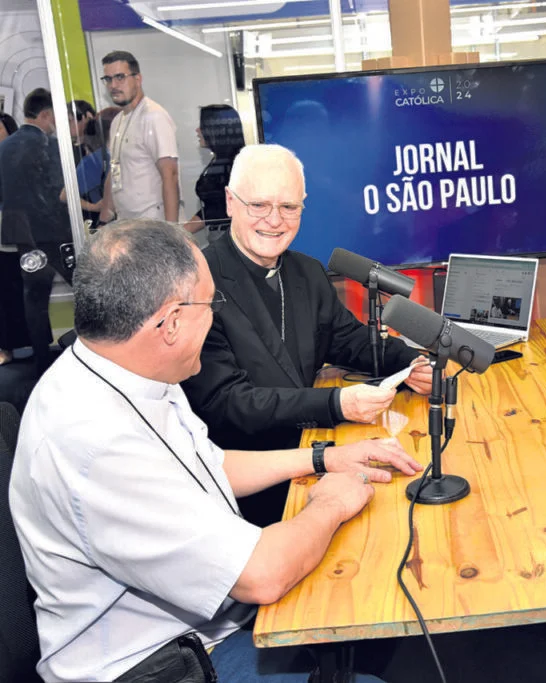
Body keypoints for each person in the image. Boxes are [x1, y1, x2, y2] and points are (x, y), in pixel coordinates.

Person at [10, 219, 413, 682]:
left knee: (369, 608)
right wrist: (329, 503)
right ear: (171, 322)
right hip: (162, 665)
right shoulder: (96, 445)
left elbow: (206, 464)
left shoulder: (132, 369)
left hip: (206, 628)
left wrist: (324, 457)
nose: (215, 317)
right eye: (210, 304)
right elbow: (263, 575)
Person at [181, 144, 432, 527]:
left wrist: (410, 364)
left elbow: (348, 340)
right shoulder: (197, 282)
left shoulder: (307, 272)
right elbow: (227, 403)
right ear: (230, 202)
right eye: (259, 205)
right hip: (251, 489)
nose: (274, 220)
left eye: (288, 207)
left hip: (319, 455)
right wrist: (336, 404)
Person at [0, 88, 74, 377]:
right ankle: (94, 350)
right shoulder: (50, 145)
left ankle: (41, 361)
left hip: (22, 233)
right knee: (84, 287)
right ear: (46, 114)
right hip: (54, 231)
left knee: (34, 297)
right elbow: (59, 192)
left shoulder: (4, 148)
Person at [98, 50, 180, 223]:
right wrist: (104, 220)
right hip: (127, 223)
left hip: (154, 223)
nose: (113, 85)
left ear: (138, 79)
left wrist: (171, 231)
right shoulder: (117, 121)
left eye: (120, 77)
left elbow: (170, 175)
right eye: (108, 79)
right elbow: (115, 171)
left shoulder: (154, 117)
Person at [184, 104, 245, 242]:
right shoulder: (220, 163)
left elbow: (217, 210)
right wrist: (181, 231)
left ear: (215, 130)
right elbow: (212, 208)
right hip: (220, 236)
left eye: (202, 126)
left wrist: (183, 231)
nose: (197, 130)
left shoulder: (232, 166)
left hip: (229, 239)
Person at [0, 112, 30, 365]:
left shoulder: (18, 159)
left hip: (16, 233)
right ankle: (8, 346)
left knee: (19, 288)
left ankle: (26, 343)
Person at [67, 99, 98, 164]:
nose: (66, 125)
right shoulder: (68, 149)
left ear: (87, 117)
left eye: (69, 120)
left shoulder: (97, 146)